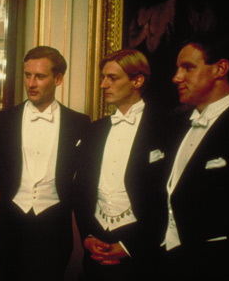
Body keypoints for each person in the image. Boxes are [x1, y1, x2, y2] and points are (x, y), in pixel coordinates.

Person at [160, 33, 229, 280]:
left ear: (221, 69)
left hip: (227, 267)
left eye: (188, 68)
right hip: (171, 266)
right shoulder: (176, 128)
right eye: (177, 69)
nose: (176, 77)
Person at [0, 46, 90, 281]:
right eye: (27, 75)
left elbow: (82, 173)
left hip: (54, 222)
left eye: (40, 76)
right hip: (11, 219)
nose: (31, 83)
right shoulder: (3, 120)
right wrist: (16, 193)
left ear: (58, 79)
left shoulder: (79, 123)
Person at [73, 49, 172, 280]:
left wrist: (132, 246)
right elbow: (82, 189)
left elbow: (167, 196)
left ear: (137, 80)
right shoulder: (94, 130)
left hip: (144, 252)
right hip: (96, 245)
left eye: (113, 78)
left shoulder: (167, 129)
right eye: (103, 77)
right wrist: (88, 236)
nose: (103, 85)